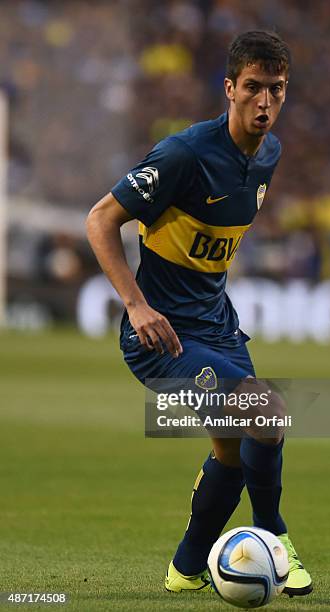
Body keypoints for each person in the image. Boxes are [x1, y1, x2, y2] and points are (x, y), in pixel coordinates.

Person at [86, 30, 312, 597]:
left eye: (277, 90)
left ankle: (186, 569)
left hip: (218, 326)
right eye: (254, 88)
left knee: (232, 449)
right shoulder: (184, 153)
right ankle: (276, 542)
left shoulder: (269, 156)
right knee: (269, 411)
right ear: (230, 88)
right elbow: (99, 219)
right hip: (161, 338)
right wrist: (136, 305)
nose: (265, 103)